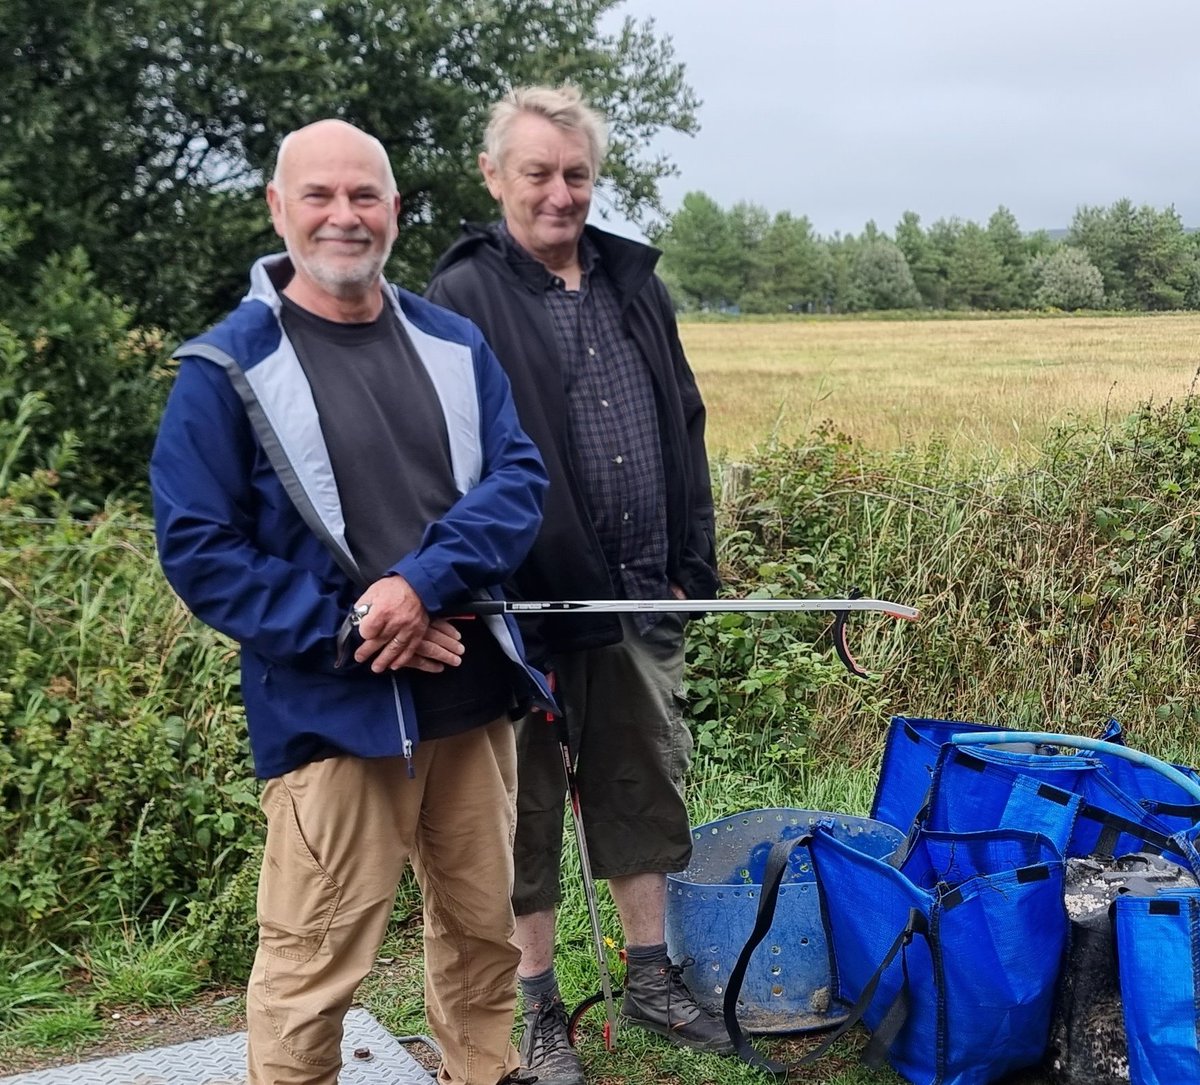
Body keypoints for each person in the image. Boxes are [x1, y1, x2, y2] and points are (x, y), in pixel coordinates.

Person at [150, 118, 553, 1085]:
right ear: (278, 208)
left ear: (395, 212)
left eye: (364, 196)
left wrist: (421, 584)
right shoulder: (226, 370)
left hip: (470, 704)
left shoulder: (454, 345)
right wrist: (357, 627)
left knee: (484, 943)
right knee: (311, 970)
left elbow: (519, 481)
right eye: (320, 196)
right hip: (335, 716)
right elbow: (200, 547)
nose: (344, 216)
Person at [426, 85, 729, 1085]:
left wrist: (693, 567)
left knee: (643, 779)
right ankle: (540, 1007)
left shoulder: (633, 280)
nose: (560, 194)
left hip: (640, 592)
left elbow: (681, 418)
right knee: (523, 814)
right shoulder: (464, 290)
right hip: (521, 608)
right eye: (538, 174)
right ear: (493, 178)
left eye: (576, 174)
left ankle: (650, 974)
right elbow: (446, 455)